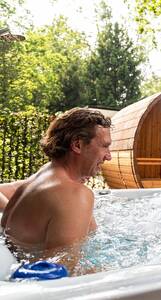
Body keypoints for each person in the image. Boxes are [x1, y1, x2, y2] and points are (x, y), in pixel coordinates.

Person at [0, 108, 112, 273]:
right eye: (105, 146)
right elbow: (63, 275)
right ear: (77, 145)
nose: (108, 156)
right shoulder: (73, 195)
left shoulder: (41, 178)